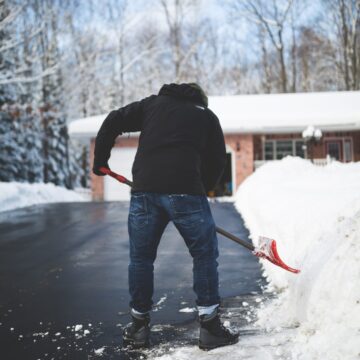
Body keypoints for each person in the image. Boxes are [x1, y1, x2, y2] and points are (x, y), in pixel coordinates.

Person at [92, 83, 239, 350]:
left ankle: (138, 327)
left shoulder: (152, 105)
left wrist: (100, 159)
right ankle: (209, 328)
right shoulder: (206, 116)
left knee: (141, 259)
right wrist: (198, 188)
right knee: (204, 255)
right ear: (201, 100)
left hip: (145, 191)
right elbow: (217, 159)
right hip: (186, 192)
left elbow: (114, 119)